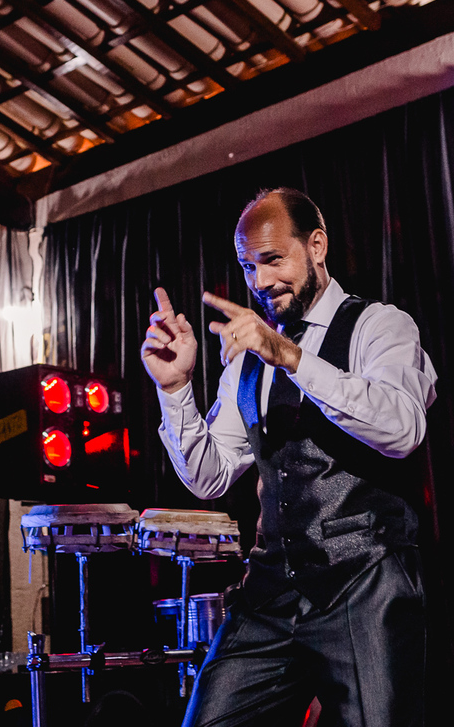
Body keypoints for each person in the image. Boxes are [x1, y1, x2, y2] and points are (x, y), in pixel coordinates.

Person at [141, 187, 438, 726]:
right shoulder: (249, 361)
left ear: (316, 246)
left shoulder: (380, 325)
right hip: (270, 592)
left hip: (364, 585)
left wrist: (292, 357)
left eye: (273, 260)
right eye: (248, 265)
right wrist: (175, 388)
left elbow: (402, 427)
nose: (260, 281)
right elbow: (210, 476)